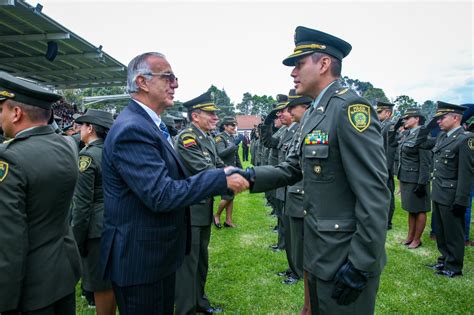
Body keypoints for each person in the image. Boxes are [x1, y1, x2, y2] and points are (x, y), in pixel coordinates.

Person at [237, 26, 389, 314]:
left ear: (323, 64)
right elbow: (293, 167)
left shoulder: (350, 108)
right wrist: (248, 177)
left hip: (346, 255)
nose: (293, 73)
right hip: (320, 250)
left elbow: (375, 194)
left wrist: (361, 263)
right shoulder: (316, 113)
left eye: (298, 64)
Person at [99, 52, 248, 314]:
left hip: (155, 256)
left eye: (174, 78)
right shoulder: (132, 129)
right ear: (142, 82)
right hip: (141, 262)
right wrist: (220, 177)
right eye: (167, 77)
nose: (175, 84)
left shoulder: (148, 125)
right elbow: (161, 194)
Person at [0, 71, 81, 314]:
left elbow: (9, 239)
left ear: (16, 113)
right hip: (63, 271)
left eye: (2, 109)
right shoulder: (67, 146)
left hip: (31, 286)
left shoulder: (10, 158)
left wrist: (5, 301)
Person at [174, 91, 225, 315]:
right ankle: (186, 309)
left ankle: (200, 303)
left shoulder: (205, 137)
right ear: (195, 116)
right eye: (211, 114)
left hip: (202, 208)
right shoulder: (188, 138)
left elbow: (219, 164)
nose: (215, 118)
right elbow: (205, 170)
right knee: (188, 265)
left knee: (200, 261)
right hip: (191, 211)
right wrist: (230, 177)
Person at [71, 109, 116, 315]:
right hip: (117, 221)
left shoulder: (87, 156)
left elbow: (81, 206)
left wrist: (76, 239)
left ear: (90, 128)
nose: (78, 129)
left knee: (101, 284)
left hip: (96, 229)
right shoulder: (114, 151)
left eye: (82, 125)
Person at [424, 102, 473, 277]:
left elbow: (466, 174)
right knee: (442, 232)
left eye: (442, 117)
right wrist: (428, 125)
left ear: (456, 117)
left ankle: (454, 266)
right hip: (439, 192)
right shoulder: (442, 137)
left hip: (452, 195)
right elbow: (422, 141)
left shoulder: (465, 139)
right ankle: (444, 260)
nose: (439, 121)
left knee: (454, 233)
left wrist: (461, 200)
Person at [285, 91, 312, 311]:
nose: (288, 112)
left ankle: (298, 271)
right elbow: (292, 164)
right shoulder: (302, 128)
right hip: (296, 191)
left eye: (292, 107)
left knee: (301, 240)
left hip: (306, 197)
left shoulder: (313, 126)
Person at [397, 108, 431, 249]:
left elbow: (425, 162)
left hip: (417, 179)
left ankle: (417, 239)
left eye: (408, 118)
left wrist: (422, 183)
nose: (405, 120)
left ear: (417, 119)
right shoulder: (407, 134)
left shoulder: (422, 135)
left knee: (420, 209)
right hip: (406, 177)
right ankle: (410, 236)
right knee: (411, 209)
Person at [215, 116, 242, 228]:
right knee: (227, 196)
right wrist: (233, 145)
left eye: (235, 125)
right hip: (224, 170)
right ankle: (216, 215)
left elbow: (236, 156)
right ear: (225, 126)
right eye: (232, 125)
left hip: (233, 169)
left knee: (231, 196)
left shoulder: (230, 138)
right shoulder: (219, 138)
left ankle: (228, 220)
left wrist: (240, 168)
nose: (234, 128)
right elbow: (221, 153)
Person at [377, 101, 397, 229]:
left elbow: (390, 150)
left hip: (385, 166)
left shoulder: (390, 126)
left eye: (380, 112)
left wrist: (387, 169)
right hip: (381, 165)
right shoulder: (382, 125)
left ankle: (387, 222)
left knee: (388, 194)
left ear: (388, 113)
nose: (377, 114)